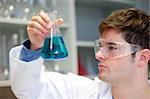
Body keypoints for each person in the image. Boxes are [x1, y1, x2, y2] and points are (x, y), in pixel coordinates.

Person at [9, 8, 150, 99]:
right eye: (100, 46)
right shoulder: (85, 92)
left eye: (112, 47)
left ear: (142, 57)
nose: (98, 55)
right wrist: (34, 47)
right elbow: (29, 90)